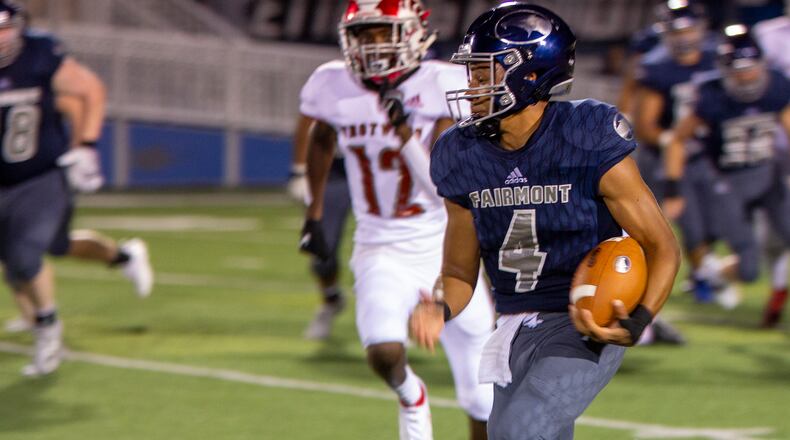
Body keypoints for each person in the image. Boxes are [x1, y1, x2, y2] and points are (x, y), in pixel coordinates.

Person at [410, 3, 680, 439]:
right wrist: (438, 307)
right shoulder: (460, 154)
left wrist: (639, 318)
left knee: (518, 433)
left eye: (485, 73)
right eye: (473, 73)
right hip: (513, 325)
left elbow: (662, 246)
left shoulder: (585, 135)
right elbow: (459, 271)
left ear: (531, 74)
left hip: (583, 321)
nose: (472, 85)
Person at [299, 1, 494, 438]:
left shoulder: (445, 83)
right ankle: (412, 396)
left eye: (382, 33)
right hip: (380, 245)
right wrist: (313, 211)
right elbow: (320, 138)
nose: (371, 46)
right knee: (384, 351)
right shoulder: (333, 83)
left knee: (482, 396)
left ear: (413, 33)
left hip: (446, 245)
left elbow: (445, 188)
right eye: (363, 34)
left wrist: (405, 134)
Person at [0, 0, 107, 375]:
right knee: (13, 263)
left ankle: (47, 327)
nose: (3, 38)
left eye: (6, 28)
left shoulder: (40, 53)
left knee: (29, 252)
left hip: (39, 175)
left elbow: (90, 90)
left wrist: (86, 148)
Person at [664, 24, 790, 327]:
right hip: (728, 183)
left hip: (768, 175)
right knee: (748, 270)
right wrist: (673, 189)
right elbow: (677, 140)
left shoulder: (777, 86)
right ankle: (713, 273)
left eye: (751, 69)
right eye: (739, 71)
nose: (746, 77)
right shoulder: (711, 96)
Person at [4, 94, 154, 334]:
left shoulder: (29, 74)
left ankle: (125, 256)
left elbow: (74, 104)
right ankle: (33, 316)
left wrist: (81, 149)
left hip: (42, 179)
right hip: (11, 180)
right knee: (10, 245)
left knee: (54, 245)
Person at [634, 0, 733, 306]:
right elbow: (646, 124)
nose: (686, 36)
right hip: (666, 154)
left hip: (706, 152)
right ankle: (646, 284)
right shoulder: (657, 66)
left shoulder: (718, 56)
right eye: (679, 30)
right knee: (682, 222)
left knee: (714, 221)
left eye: (690, 28)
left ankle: (701, 273)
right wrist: (673, 140)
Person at [288, 113, 351, 340]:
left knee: (396, 242)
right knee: (321, 246)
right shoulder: (329, 78)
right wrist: (299, 170)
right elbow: (308, 118)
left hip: (381, 166)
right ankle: (330, 300)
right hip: (334, 168)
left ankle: (401, 311)